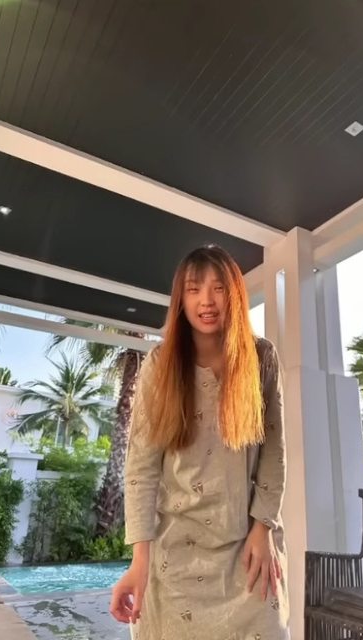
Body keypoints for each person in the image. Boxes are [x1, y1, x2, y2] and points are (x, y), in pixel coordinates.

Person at [110, 244, 290, 640]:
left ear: (235, 294)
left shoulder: (261, 357)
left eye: (218, 288)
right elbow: (141, 468)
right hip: (174, 558)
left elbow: (274, 453)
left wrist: (263, 528)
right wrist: (139, 560)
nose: (206, 300)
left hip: (248, 549)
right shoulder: (160, 364)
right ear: (181, 298)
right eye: (194, 289)